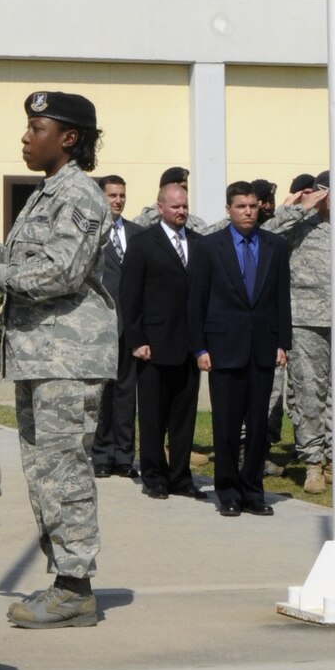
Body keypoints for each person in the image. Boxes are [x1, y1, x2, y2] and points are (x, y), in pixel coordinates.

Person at [0, 91, 116, 628]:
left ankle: (76, 586)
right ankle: (65, 579)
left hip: (66, 358)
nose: (26, 138)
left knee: (63, 471)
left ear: (68, 138)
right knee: (45, 473)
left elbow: (62, 275)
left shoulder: (79, 196)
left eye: (36, 128)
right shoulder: (49, 193)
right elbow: (39, 263)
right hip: (42, 356)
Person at [187, 183, 291, 518]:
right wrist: (200, 347)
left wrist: (282, 343)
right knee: (227, 425)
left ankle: (253, 490)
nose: (247, 212)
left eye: (252, 206)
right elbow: (196, 301)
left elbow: (281, 299)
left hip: (262, 347)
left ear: (260, 208)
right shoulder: (208, 247)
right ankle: (228, 491)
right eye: (241, 206)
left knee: (258, 427)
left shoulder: (275, 245)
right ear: (229, 209)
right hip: (223, 347)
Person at [118, 177, 199, 498]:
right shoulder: (143, 242)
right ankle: (154, 476)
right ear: (160, 207)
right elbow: (130, 295)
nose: (181, 211)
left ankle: (180, 476)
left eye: (185, 206)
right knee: (152, 416)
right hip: (152, 345)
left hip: (189, 345)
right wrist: (136, 340)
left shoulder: (197, 241)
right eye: (175, 206)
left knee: (183, 415)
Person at [266, 175, 333, 493]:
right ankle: (313, 463)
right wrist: (298, 206)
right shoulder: (299, 224)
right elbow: (266, 234)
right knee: (309, 394)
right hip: (305, 320)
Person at [91, 174, 138, 478]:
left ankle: (124, 456)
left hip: (131, 326)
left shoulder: (137, 233)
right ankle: (101, 455)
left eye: (121, 195)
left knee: (126, 393)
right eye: (112, 195)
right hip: (100, 326)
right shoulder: (91, 233)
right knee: (102, 395)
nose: (118, 200)